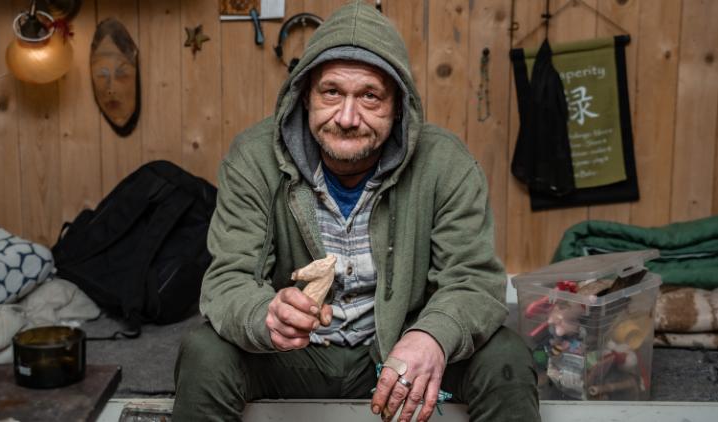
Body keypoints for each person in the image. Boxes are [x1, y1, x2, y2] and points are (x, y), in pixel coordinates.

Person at [173, 1, 540, 421]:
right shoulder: (253, 159)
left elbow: (473, 280)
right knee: (204, 350)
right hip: (291, 356)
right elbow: (228, 279)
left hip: (400, 351)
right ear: (305, 95)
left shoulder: (446, 164)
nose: (347, 118)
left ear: (398, 106)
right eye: (331, 92)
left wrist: (432, 336)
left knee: (506, 355)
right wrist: (266, 316)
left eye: (370, 96)